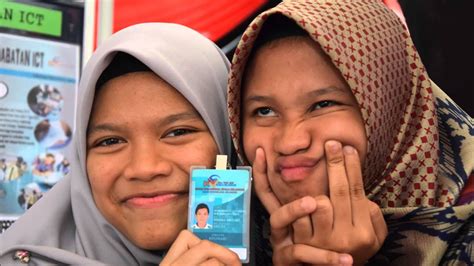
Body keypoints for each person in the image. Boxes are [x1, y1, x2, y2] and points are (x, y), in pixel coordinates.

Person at [227, 0, 473, 265]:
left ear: (391, 109)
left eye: (323, 105)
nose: (290, 142)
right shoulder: (229, 242)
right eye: (264, 111)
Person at [0, 23, 240, 265]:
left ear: (227, 134)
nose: (144, 168)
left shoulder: (273, 249)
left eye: (177, 132)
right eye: (110, 141)